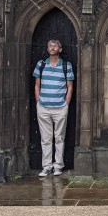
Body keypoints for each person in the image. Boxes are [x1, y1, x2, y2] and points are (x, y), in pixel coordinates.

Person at [33, 39, 74, 177]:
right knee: (45, 138)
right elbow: (37, 84)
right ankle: (46, 166)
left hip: (60, 107)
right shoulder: (41, 64)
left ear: (60, 49)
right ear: (47, 48)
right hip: (43, 106)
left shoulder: (66, 66)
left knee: (59, 137)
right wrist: (38, 101)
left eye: (55, 45)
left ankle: (58, 166)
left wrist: (66, 104)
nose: (52, 47)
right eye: (50, 45)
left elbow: (70, 87)